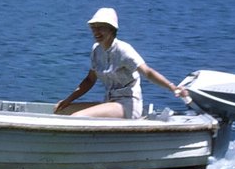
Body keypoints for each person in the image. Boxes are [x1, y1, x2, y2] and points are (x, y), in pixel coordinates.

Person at [54, 7, 187, 118]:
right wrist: (68, 100)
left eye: (101, 27)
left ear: (111, 29)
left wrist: (172, 87)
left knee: (78, 117)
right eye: (93, 27)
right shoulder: (96, 50)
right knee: (60, 110)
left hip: (127, 105)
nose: (96, 31)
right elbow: (89, 80)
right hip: (109, 103)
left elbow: (147, 72)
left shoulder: (123, 50)